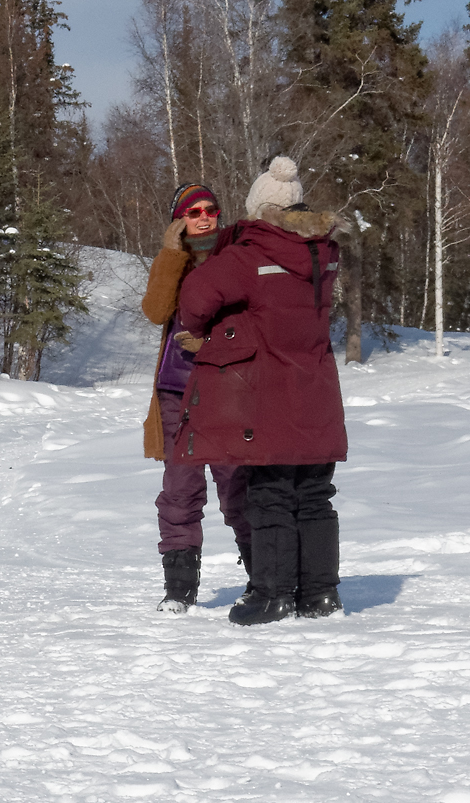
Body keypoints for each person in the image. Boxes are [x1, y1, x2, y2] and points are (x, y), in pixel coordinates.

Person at [177, 156, 346, 625]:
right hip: (317, 389)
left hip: (269, 392)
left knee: (269, 492)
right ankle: (321, 594)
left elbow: (194, 298)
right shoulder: (324, 251)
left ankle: (272, 595)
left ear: (257, 207)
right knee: (315, 493)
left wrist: (202, 329)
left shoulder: (251, 253)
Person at [142, 182, 248, 613]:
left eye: (210, 209)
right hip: (175, 391)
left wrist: (215, 345)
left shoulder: (236, 257)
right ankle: (179, 589)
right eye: (192, 211)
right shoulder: (173, 262)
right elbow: (155, 311)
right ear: (179, 220)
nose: (204, 216)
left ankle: (263, 577)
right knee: (180, 488)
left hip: (226, 389)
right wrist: (171, 254)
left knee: (237, 484)